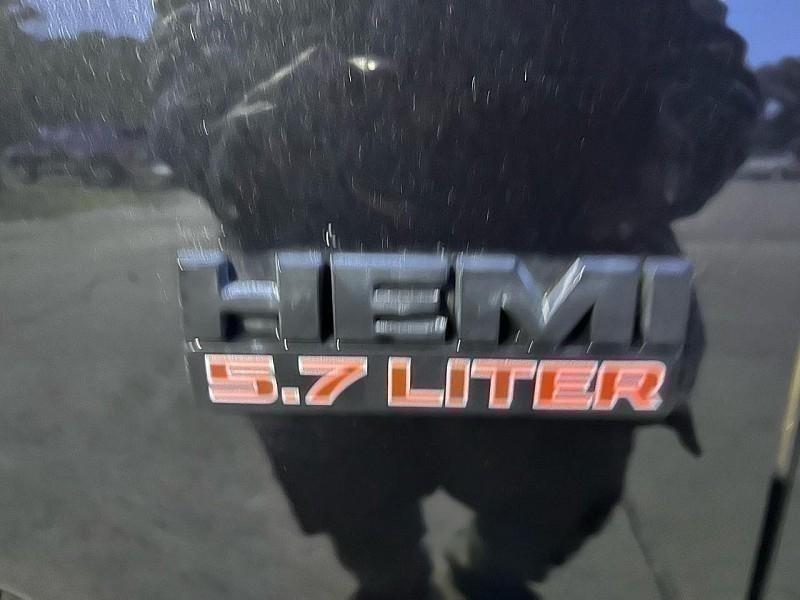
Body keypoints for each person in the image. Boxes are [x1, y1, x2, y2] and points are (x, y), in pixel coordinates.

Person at [149, 1, 759, 598]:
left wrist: (660, 149)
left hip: (570, 281)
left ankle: (479, 576)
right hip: (318, 279)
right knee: (352, 504)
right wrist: (262, 133)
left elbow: (708, 67)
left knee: (555, 502)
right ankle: (398, 582)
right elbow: (189, 52)